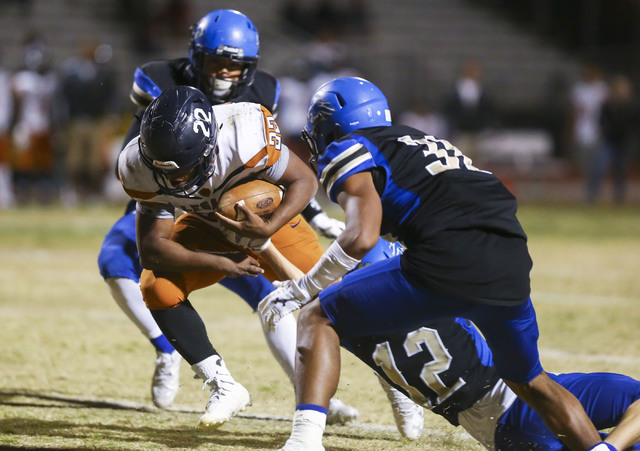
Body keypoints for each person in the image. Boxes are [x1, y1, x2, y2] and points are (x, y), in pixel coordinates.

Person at [258, 76, 608, 451]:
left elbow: (361, 237)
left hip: (448, 257)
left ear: (333, 125)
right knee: (531, 382)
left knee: (318, 315)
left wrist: (302, 288)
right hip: (510, 259)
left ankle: (304, 443)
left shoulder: (350, 148)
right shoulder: (424, 141)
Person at [97, 9, 355, 423]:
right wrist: (220, 257)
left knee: (299, 296)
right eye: (216, 60)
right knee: (136, 269)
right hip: (173, 198)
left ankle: (326, 390)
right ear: (196, 56)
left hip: (244, 203)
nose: (224, 72)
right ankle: (177, 354)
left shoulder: (250, 119)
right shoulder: (156, 90)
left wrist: (309, 217)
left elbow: (288, 172)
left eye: (234, 65)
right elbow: (149, 175)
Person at [329, 238, 640, 450]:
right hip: (522, 397)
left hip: (499, 433)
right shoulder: (435, 297)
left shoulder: (348, 327)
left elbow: (310, 300)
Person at [586, 74, 638, 204]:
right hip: (609, 141)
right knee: (599, 167)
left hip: (623, 142)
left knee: (620, 170)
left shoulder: (632, 106)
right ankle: (592, 195)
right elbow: (601, 121)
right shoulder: (608, 105)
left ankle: (619, 197)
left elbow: (634, 124)